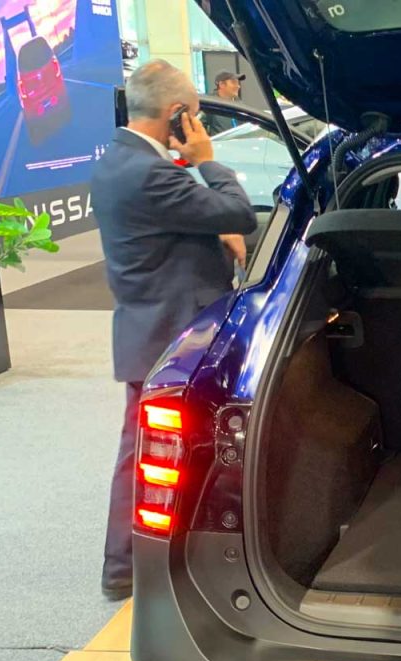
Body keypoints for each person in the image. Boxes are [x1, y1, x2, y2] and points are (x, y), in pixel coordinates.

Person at [92, 61, 257, 600]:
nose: (199, 125)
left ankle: (135, 563)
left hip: (149, 328)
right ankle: (125, 566)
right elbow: (238, 211)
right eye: (196, 115)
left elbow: (175, 230)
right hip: (170, 338)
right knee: (149, 458)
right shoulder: (151, 173)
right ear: (177, 113)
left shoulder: (120, 161)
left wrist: (215, 237)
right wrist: (207, 160)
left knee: (152, 453)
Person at [201, 71, 246, 136]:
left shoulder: (240, 104)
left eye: (238, 83)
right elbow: (199, 126)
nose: (238, 86)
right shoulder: (210, 104)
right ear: (222, 84)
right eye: (234, 83)